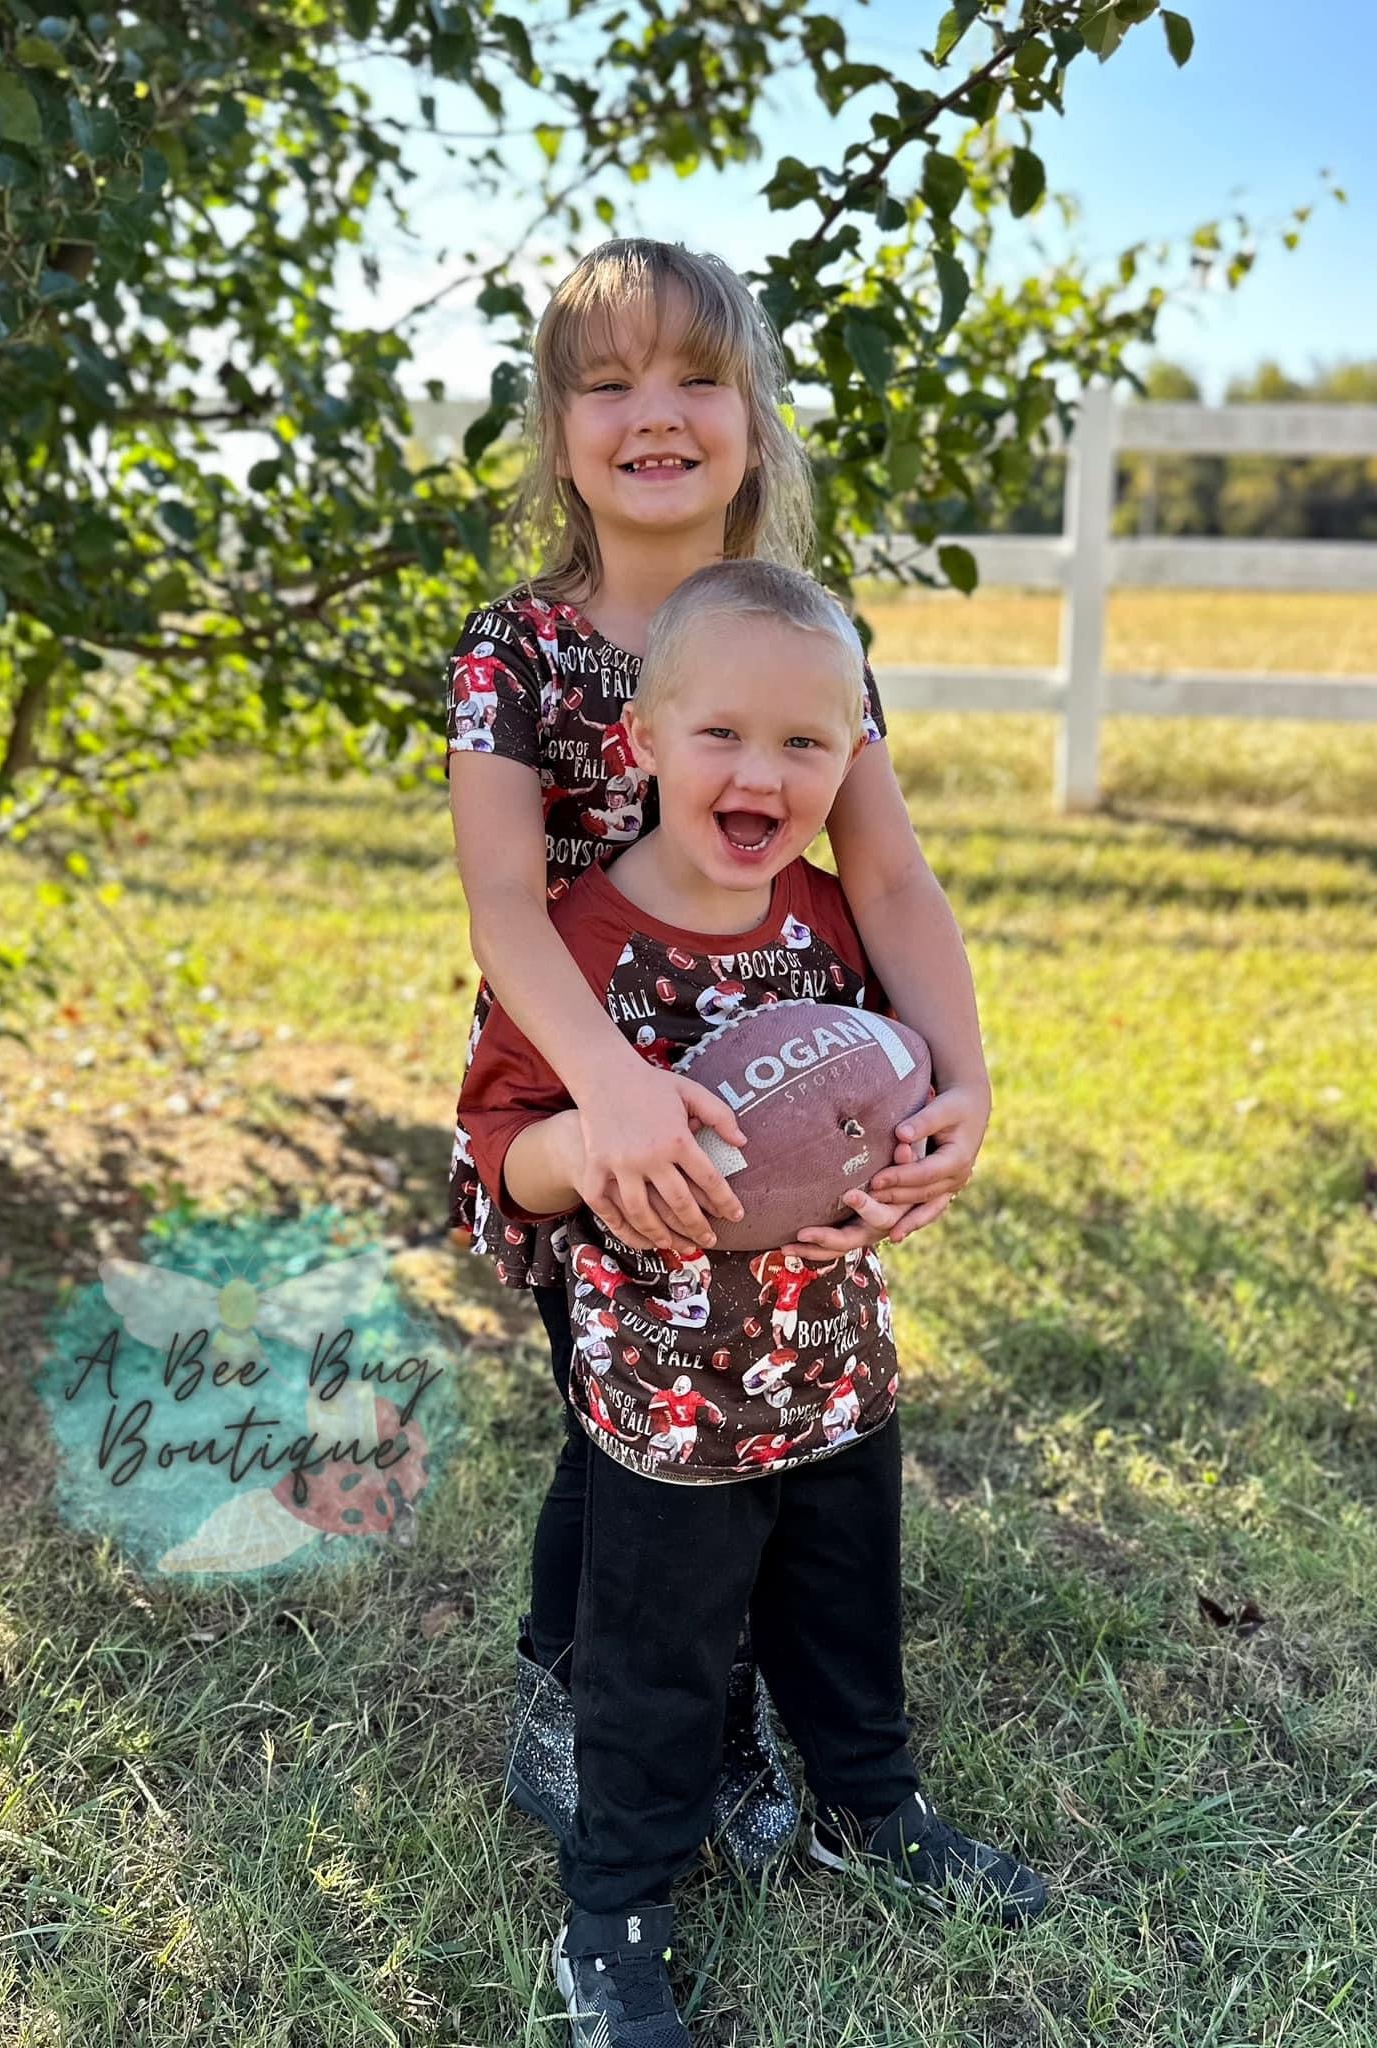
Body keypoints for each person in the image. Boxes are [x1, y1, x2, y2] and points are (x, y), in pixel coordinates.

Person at [444, 237, 992, 1874]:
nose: (654, 412)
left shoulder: (813, 636)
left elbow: (887, 875)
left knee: (781, 1399)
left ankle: (775, 1707)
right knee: (614, 1408)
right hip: (593, 1072)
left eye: (698, 377)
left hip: (789, 1080)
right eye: (607, 384)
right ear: (558, 436)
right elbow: (499, 905)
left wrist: (963, 1081)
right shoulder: (517, 650)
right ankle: (590, 1691)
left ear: (758, 421)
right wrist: (606, 1086)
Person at [459, 562, 1048, 2048]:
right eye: (723, 735)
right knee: (659, 1665)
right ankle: (617, 1915)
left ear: (853, 753)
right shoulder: (580, 950)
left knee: (847, 1615)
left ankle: (872, 1808)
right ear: (643, 743)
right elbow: (500, 1162)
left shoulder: (833, 921)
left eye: (809, 742)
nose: (766, 774)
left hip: (836, 1366)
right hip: (668, 1410)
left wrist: (927, 1132)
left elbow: (899, 1078)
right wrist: (584, 1142)